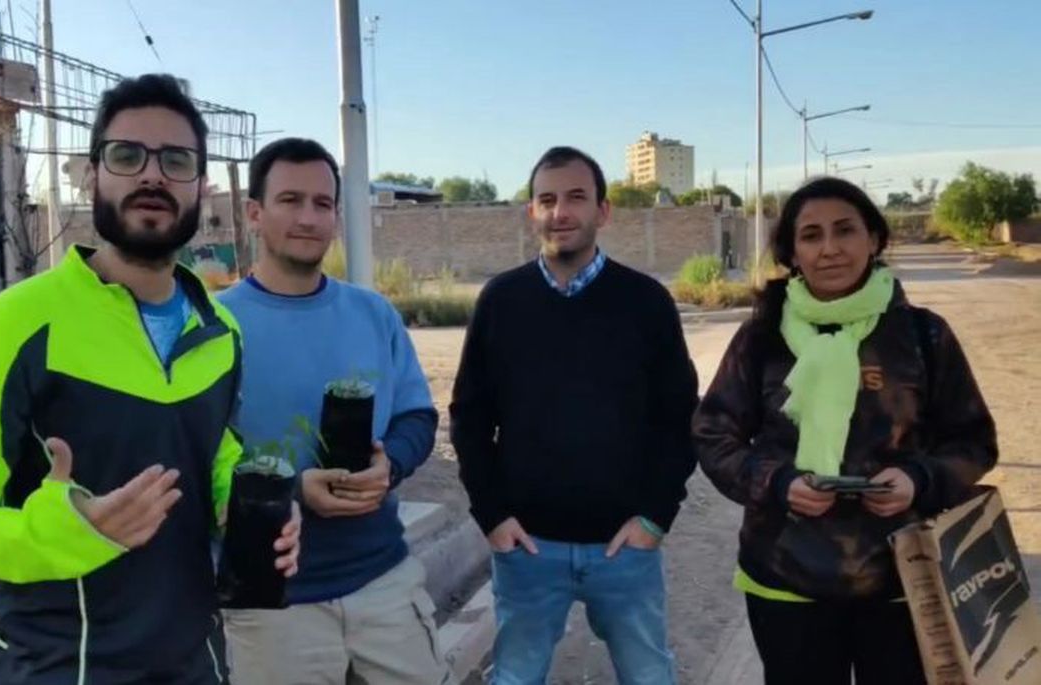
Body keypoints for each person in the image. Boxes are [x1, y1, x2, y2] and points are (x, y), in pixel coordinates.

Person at [0, 73, 300, 684]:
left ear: (201, 184)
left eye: (176, 160)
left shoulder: (220, 329)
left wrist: (250, 509)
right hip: (64, 669)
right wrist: (60, 530)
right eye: (126, 155)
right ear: (92, 176)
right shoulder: (15, 323)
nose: (152, 175)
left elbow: (216, 452)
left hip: (199, 662)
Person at [692, 176, 998, 685]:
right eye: (811, 235)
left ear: (874, 238)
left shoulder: (924, 335)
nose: (829, 248)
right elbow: (713, 434)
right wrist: (778, 482)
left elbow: (973, 441)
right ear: (792, 250)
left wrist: (917, 480)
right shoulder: (761, 337)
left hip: (904, 576)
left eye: (845, 230)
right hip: (784, 576)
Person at [449, 146, 698, 685]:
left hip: (625, 552)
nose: (560, 211)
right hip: (527, 551)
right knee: (514, 676)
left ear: (603, 211)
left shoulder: (646, 302)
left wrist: (655, 516)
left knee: (649, 675)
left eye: (576, 198)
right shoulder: (501, 300)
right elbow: (469, 417)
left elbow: (679, 421)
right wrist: (492, 517)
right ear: (531, 212)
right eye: (547, 199)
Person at [218, 137, 451, 684]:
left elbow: (417, 417)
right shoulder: (213, 326)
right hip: (271, 598)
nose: (308, 217)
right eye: (290, 200)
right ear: (254, 213)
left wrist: (388, 465)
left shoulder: (374, 314)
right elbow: (192, 454)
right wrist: (294, 491)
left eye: (323, 204)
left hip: (383, 581)